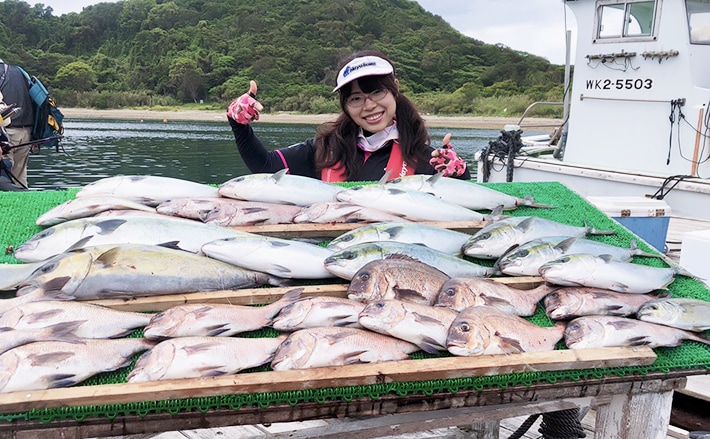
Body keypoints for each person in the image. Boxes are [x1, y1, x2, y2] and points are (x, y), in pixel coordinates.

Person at [226, 50, 470, 182]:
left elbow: (457, 204)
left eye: (377, 91)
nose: (369, 106)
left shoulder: (426, 158)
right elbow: (264, 166)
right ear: (344, 105)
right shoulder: (323, 149)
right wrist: (239, 125)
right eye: (355, 98)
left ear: (394, 88)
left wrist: (460, 174)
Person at [0, 59, 35, 189]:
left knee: (5, 176)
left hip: (8, 132)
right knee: (20, 176)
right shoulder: (19, 71)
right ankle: (24, 204)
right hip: (27, 130)